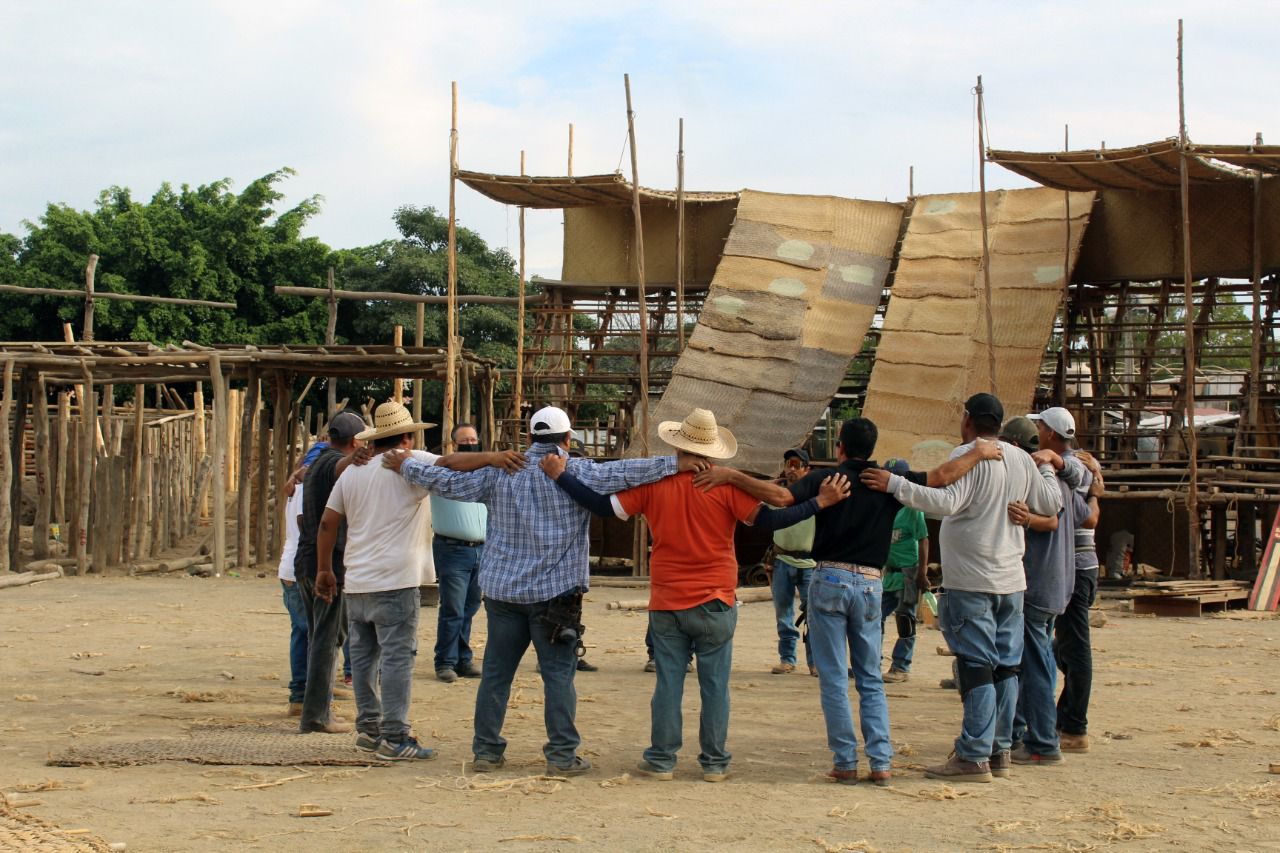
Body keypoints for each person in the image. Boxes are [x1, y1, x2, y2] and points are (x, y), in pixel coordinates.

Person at [383, 405, 696, 777]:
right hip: (556, 597)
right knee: (558, 677)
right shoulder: (576, 470)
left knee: (497, 674)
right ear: (568, 439)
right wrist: (677, 464)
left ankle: (486, 752)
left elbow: (446, 482)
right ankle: (561, 757)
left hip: (504, 593)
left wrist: (403, 463)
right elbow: (625, 470)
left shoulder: (501, 470)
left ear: (529, 437)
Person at [543, 408, 849, 783]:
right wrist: (820, 503)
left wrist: (561, 477)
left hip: (668, 599)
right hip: (716, 598)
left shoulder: (654, 485)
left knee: (668, 684)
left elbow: (601, 507)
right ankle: (714, 763)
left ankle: (661, 760)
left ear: (677, 447)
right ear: (714, 452)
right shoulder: (725, 487)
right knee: (715, 686)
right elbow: (772, 520)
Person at [699, 418, 1000, 786]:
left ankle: (845, 761)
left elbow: (778, 497)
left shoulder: (829, 480)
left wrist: (731, 476)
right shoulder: (887, 482)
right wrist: (979, 451)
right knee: (871, 678)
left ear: (839, 447)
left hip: (828, 578)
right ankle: (881, 761)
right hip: (872, 584)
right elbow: (941, 476)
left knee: (834, 679)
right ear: (871, 449)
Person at [861, 394, 1063, 783]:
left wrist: (895, 486)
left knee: (976, 667)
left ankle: (973, 755)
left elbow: (945, 501)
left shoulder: (970, 454)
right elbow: (1051, 503)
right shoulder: (1021, 457)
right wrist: (1049, 464)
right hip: (1011, 583)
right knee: (1006, 668)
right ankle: (999, 749)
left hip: (973, 580)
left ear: (968, 420)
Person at [1001, 414, 1090, 767]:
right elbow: (1085, 511)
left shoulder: (1042, 472)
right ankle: (1023, 732)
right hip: (1059, 581)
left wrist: (1026, 519)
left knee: (1035, 664)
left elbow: (1053, 518)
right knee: (1035, 660)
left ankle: (1042, 742)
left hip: (1038, 579)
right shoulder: (1062, 472)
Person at [1028, 408, 1106, 755]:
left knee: (1073, 647)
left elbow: (1087, 517)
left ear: (1049, 434)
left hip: (1073, 565)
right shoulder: (1079, 465)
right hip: (1074, 566)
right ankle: (1064, 717)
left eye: (1040, 427)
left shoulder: (1071, 467)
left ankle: (1074, 725)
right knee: (1062, 644)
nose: (1037, 432)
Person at [294, 411, 368, 735]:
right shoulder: (332, 464)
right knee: (326, 640)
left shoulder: (316, 464)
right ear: (354, 443)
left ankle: (316, 708)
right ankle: (316, 716)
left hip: (307, 561)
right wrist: (357, 460)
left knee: (323, 637)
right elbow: (339, 468)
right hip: (325, 565)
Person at [431, 423, 487, 683]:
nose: (471, 443)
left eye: (474, 439)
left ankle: (462, 658)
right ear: (454, 446)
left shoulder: (486, 472)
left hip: (480, 550)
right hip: (452, 548)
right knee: (453, 608)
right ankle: (445, 662)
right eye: (464, 441)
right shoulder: (441, 472)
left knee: (471, 606)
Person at [770, 449, 818, 676]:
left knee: (814, 614)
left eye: (796, 465)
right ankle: (787, 658)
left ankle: (815, 661)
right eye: (788, 464)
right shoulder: (777, 494)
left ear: (806, 470)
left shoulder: (817, 496)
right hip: (782, 560)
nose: (791, 469)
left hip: (809, 563)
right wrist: (772, 484)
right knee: (784, 613)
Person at [881, 490, 929, 684]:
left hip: (908, 572)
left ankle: (901, 666)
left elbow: (924, 539)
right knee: (874, 617)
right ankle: (870, 662)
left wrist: (922, 572)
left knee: (905, 620)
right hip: (890, 572)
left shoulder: (912, 510)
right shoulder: (885, 509)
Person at [278, 461, 309, 717]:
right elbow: (304, 523)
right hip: (301, 569)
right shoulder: (306, 487)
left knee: (302, 633)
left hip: (293, 568)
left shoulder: (299, 486)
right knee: (315, 635)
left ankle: (300, 696)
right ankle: (305, 696)